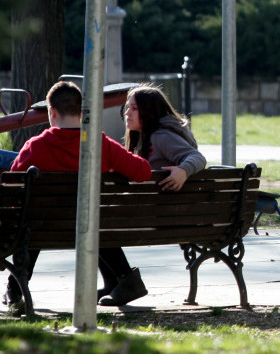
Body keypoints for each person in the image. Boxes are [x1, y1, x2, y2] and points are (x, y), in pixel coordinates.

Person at [4, 81, 152, 313]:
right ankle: (124, 277)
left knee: (31, 222)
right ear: (83, 113)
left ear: (52, 112)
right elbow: (143, 171)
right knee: (91, 219)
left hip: (41, 229)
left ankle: (16, 290)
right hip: (90, 228)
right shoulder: (101, 144)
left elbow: (13, 191)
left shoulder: (35, 147)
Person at [89, 84, 209, 306]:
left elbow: (197, 157)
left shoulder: (161, 136)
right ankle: (115, 282)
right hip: (155, 215)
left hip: (159, 218)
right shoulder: (146, 137)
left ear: (149, 111)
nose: (127, 112)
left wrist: (183, 170)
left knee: (94, 221)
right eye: (127, 107)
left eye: (134, 108)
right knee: (96, 219)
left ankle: (125, 281)